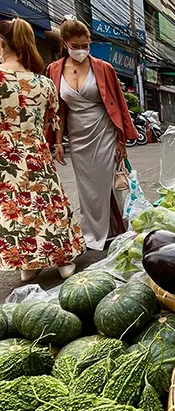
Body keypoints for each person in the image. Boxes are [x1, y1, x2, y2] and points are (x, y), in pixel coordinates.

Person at [0, 18, 85, 281]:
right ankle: (63, 260)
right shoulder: (44, 83)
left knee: (17, 210)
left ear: (2, 44)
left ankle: (28, 263)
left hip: (6, 158)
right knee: (50, 204)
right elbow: (53, 119)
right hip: (37, 154)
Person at [46, 16, 137, 251]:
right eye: (75, 46)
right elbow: (59, 110)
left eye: (85, 45)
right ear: (65, 43)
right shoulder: (54, 70)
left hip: (104, 129)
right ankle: (94, 233)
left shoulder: (103, 68)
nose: (81, 50)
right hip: (77, 135)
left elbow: (118, 103)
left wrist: (121, 140)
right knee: (87, 188)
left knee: (110, 183)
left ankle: (118, 229)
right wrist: (57, 142)